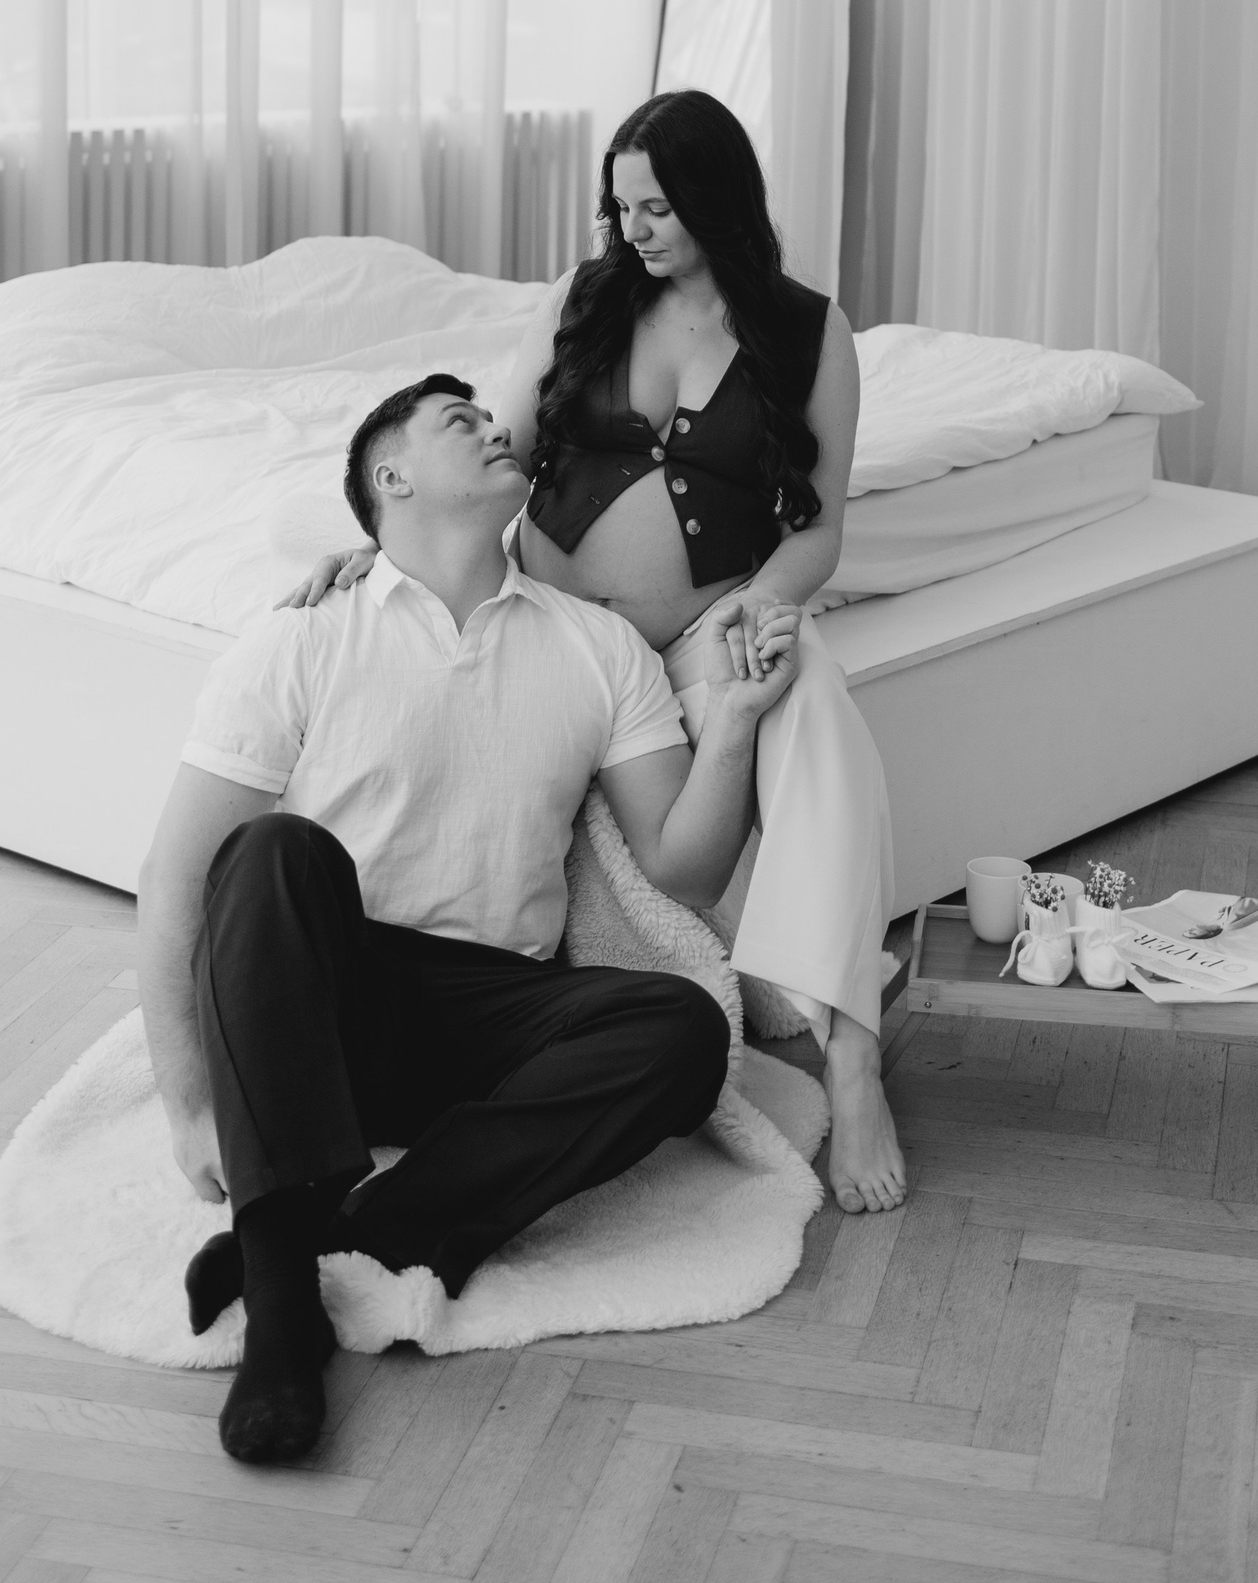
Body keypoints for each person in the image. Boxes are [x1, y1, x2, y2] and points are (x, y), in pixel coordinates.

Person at [138, 369, 792, 1466]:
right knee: (272, 852)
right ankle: (284, 1316)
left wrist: (731, 726)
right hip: (321, 1007)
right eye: (461, 421)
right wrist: (189, 1103)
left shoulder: (599, 648)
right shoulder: (302, 637)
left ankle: (348, 1233)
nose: (497, 428)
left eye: (492, 418)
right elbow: (174, 880)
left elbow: (686, 870)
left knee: (683, 1026)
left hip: (491, 1014)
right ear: (391, 476)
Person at [292, 89, 905, 1216]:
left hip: (706, 629)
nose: (636, 229)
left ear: (718, 196)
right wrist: (381, 542)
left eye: (659, 206)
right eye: (621, 207)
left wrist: (765, 608)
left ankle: (854, 1057)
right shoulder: (586, 300)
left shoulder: (812, 332)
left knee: (815, 703)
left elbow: (818, 531)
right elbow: (493, 452)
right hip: (563, 628)